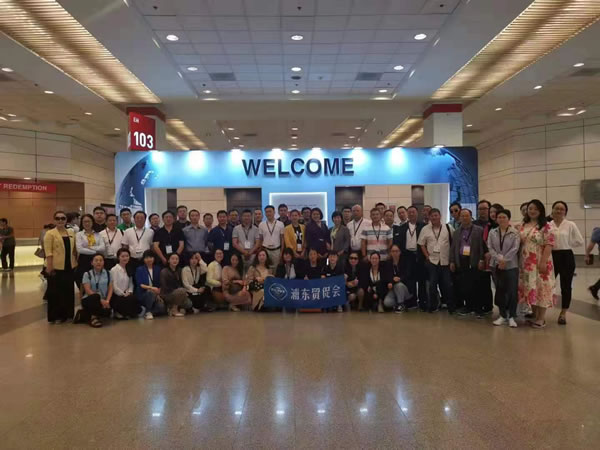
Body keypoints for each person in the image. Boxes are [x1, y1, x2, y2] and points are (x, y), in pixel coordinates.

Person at [518, 199, 557, 329]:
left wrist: (543, 262)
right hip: (526, 263)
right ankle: (535, 315)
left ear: (540, 211)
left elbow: (549, 244)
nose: (532, 211)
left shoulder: (546, 226)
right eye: (530, 208)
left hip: (540, 261)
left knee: (542, 288)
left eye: (535, 209)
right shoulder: (523, 225)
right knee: (530, 287)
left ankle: (541, 318)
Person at [550, 201, 584, 325]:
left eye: (562, 209)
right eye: (556, 208)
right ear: (552, 210)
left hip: (566, 256)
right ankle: (541, 310)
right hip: (551, 256)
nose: (559, 211)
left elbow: (580, 241)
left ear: (565, 211)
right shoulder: (548, 225)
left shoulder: (570, 224)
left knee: (566, 286)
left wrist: (568, 244)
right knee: (548, 284)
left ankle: (563, 313)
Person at [449, 209, 486, 317]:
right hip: (461, 260)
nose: (464, 218)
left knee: (476, 285)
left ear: (471, 217)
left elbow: (482, 246)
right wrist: (452, 261)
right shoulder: (456, 232)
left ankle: (478, 308)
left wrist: (481, 259)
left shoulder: (479, 230)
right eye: (462, 216)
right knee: (464, 285)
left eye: (466, 216)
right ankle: (468, 306)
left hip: (474, 260)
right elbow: (453, 248)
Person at [487, 209, 519, 328]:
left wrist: (505, 260)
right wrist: (499, 259)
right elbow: (490, 247)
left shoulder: (514, 232)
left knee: (512, 291)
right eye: (499, 217)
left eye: (504, 217)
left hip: (511, 266)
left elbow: (515, 248)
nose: (501, 219)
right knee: (500, 290)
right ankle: (502, 315)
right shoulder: (492, 232)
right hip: (497, 265)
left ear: (508, 219)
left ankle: (512, 316)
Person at [44, 211, 77, 323]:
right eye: (58, 218)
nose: (60, 220)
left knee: (68, 291)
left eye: (63, 218)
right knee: (55, 293)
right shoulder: (50, 233)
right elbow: (48, 251)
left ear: (66, 220)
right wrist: (49, 267)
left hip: (69, 266)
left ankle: (68, 314)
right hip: (55, 267)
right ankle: (56, 316)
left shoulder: (71, 232)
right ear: (54, 220)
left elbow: (74, 249)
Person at [418, 208, 454, 313]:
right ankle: (433, 306)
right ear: (429, 217)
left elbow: (453, 242)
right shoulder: (425, 229)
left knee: (447, 284)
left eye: (436, 215)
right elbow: (421, 244)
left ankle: (450, 305)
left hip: (445, 260)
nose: (434, 217)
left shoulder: (448, 227)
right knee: (432, 285)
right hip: (432, 261)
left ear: (440, 216)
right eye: (432, 216)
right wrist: (427, 256)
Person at [393, 206, 425, 309]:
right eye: (409, 212)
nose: (411, 214)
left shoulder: (423, 226)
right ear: (407, 213)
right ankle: (412, 301)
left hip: (419, 255)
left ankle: (422, 301)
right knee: (410, 279)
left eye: (413, 212)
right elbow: (398, 243)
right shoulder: (402, 227)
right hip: (407, 256)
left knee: (421, 279)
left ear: (417, 213)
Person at [109, 248, 142, 319]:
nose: (125, 258)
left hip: (127, 293)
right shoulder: (114, 270)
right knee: (126, 300)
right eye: (122, 256)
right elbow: (114, 287)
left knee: (133, 298)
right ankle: (118, 312)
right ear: (118, 257)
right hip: (117, 295)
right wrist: (123, 294)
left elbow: (131, 283)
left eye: (127, 256)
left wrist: (129, 292)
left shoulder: (129, 268)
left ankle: (127, 312)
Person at [80, 253, 112, 328]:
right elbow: (88, 290)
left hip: (104, 300)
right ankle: (93, 317)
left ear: (104, 262)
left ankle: (93, 314)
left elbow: (111, 288)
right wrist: (100, 300)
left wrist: (107, 301)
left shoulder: (108, 273)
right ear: (92, 263)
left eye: (101, 260)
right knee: (95, 297)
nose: (98, 262)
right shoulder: (87, 274)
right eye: (96, 260)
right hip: (90, 299)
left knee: (107, 312)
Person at [473, 200, 494, 316]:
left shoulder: (494, 223)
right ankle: (481, 307)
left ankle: (492, 307)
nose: (482, 211)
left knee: (498, 284)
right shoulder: (474, 224)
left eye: (485, 209)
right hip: (480, 258)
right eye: (480, 209)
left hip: (494, 258)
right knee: (482, 283)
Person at [75, 214, 107, 288]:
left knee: (96, 280)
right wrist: (95, 251)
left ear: (92, 222)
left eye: (89, 221)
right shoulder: (79, 234)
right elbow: (80, 249)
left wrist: (89, 247)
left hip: (97, 260)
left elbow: (102, 248)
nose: (87, 223)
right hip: (84, 260)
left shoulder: (98, 234)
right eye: (85, 222)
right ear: (82, 223)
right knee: (83, 281)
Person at [135, 250, 165, 320]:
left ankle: (147, 310)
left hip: (155, 294)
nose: (149, 259)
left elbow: (160, 284)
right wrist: (152, 288)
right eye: (146, 257)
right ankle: (148, 311)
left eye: (151, 257)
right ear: (143, 259)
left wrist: (158, 294)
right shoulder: (140, 269)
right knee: (150, 293)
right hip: (143, 294)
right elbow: (140, 284)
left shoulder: (157, 269)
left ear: (154, 258)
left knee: (162, 307)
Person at [382, 244, 410, 313]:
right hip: (393, 288)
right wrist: (391, 281)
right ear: (390, 252)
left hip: (404, 288)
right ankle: (399, 304)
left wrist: (400, 279)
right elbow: (387, 276)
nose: (395, 253)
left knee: (399, 285)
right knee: (387, 303)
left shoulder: (405, 262)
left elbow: (408, 275)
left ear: (400, 252)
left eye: (396, 251)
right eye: (393, 251)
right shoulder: (388, 263)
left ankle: (401, 305)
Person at [585, 228, 600, 300]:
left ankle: (595, 288)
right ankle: (595, 288)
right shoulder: (597, 231)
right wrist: (587, 255)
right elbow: (591, 246)